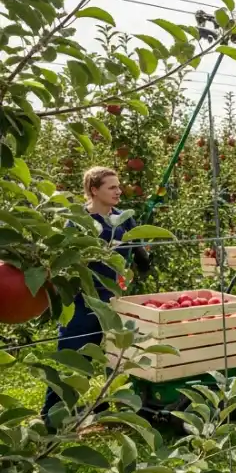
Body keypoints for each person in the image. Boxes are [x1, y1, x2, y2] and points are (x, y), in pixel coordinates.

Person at [46, 167, 152, 426]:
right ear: (94, 190)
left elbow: (140, 257)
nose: (118, 191)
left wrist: (143, 255)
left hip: (114, 299)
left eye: (118, 186)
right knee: (74, 356)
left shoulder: (124, 219)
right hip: (83, 299)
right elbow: (66, 260)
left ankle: (107, 411)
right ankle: (51, 417)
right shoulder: (79, 220)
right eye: (111, 187)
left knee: (116, 357)